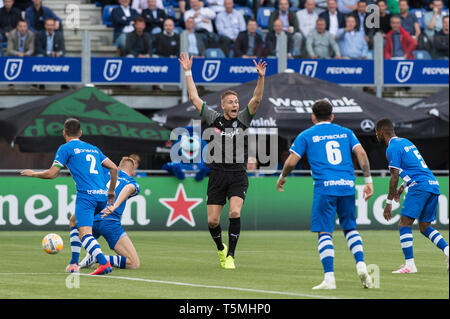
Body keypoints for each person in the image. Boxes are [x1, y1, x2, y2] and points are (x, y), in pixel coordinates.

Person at [178, 52, 267, 270]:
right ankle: (220, 248)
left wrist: (261, 77)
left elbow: (256, 99)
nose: (236, 104)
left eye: (237, 101)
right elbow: (194, 97)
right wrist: (188, 72)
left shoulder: (244, 119)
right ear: (223, 105)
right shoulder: (213, 118)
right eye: (231, 102)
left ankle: (231, 256)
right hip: (217, 175)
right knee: (213, 222)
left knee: (234, 213)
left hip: (238, 175)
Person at [276, 99, 374, 290]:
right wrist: (368, 181)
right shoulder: (346, 132)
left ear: (313, 116)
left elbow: (291, 161)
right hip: (347, 185)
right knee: (350, 228)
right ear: (332, 116)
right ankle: (361, 264)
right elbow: (361, 154)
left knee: (324, 231)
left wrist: (282, 176)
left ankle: (329, 278)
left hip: (325, 187)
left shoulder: (306, 134)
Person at [20, 118, 118, 276]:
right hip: (101, 196)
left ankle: (104, 263)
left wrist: (33, 173)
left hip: (86, 197)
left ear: (63, 133)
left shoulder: (66, 148)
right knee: (74, 221)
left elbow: (52, 174)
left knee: (85, 233)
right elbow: (114, 167)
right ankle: (73, 263)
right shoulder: (93, 148)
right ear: (80, 133)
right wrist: (111, 191)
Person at [374, 118, 449, 274]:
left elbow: (394, 175)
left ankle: (410, 265)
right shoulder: (406, 142)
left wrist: (388, 203)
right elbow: (414, 167)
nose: (376, 136)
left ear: (382, 131)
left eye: (376, 132)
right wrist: (403, 186)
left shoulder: (392, 148)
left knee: (404, 224)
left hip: (419, 186)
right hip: (432, 184)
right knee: (424, 226)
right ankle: (448, 251)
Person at [77, 156, 141, 270]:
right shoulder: (132, 181)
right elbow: (128, 188)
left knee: (82, 233)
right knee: (133, 263)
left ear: (117, 167)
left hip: (93, 219)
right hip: (109, 221)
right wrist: (114, 205)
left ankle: (82, 258)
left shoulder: (105, 172)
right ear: (133, 172)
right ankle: (98, 258)